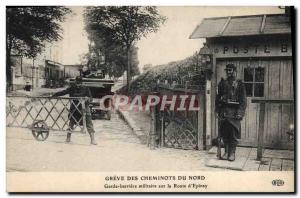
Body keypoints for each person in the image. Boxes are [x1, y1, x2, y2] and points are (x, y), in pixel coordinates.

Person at [52, 76, 97, 145]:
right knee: (71, 122)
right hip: (74, 108)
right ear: (75, 82)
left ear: (82, 83)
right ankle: (68, 138)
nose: (78, 85)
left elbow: (90, 98)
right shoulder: (72, 88)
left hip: (84, 108)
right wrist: (54, 95)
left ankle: (92, 139)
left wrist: (87, 98)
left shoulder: (86, 88)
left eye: (79, 83)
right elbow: (64, 92)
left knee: (89, 122)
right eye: (77, 83)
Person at [215, 64, 246, 161]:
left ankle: (232, 153)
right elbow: (217, 98)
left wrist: (240, 113)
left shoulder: (240, 84)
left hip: (234, 113)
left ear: (234, 71)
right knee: (224, 133)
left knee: (233, 134)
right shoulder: (222, 83)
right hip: (224, 112)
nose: (229, 72)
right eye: (227, 70)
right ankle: (227, 152)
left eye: (231, 70)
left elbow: (243, 101)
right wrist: (217, 110)